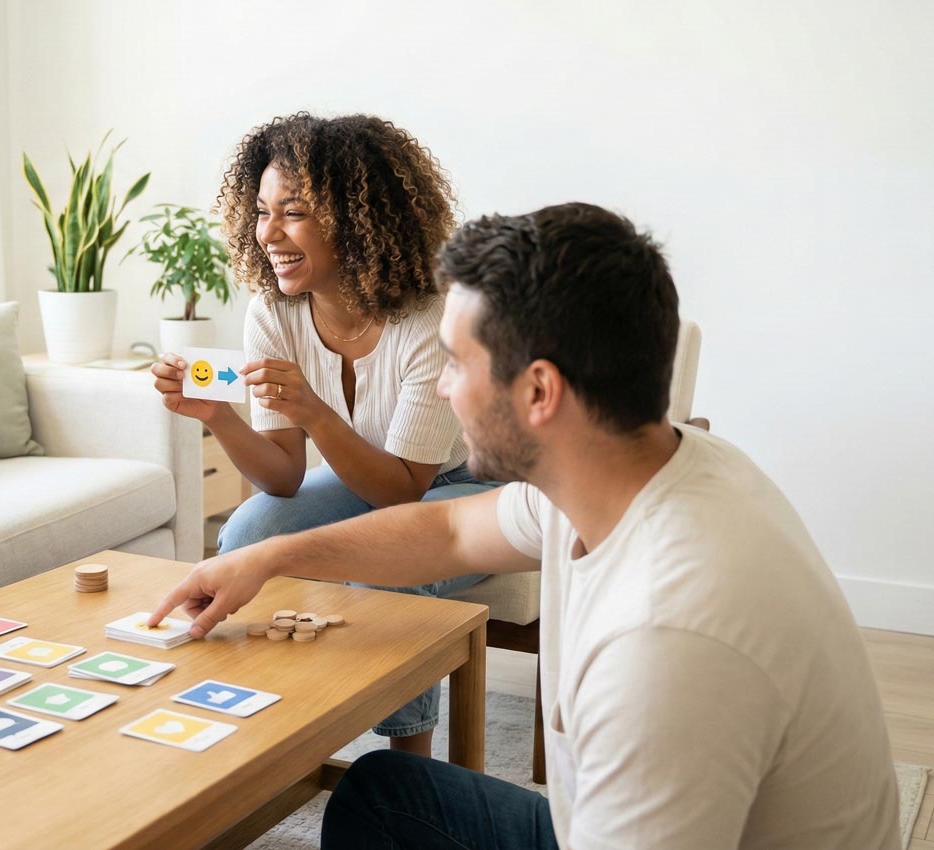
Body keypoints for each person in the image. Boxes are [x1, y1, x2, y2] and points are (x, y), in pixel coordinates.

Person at [149, 203, 900, 849]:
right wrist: (271, 557)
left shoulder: (667, 643)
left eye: (455, 362)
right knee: (383, 796)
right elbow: (444, 535)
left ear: (539, 390)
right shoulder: (631, 467)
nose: (440, 385)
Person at [151, 112, 493, 755]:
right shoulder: (273, 312)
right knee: (248, 530)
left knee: (389, 559)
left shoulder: (429, 317)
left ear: (362, 222)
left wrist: (314, 413)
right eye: (260, 212)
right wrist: (218, 417)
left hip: (465, 482)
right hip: (373, 476)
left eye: (295, 212)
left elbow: (400, 495)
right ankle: (251, 718)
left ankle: (407, 761)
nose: (268, 234)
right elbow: (282, 475)